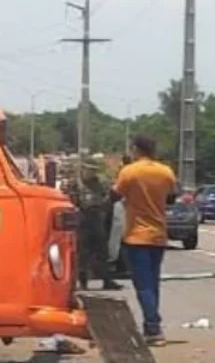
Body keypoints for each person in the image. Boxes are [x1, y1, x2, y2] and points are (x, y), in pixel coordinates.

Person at [110, 136, 177, 346]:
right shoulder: (165, 172)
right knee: (153, 283)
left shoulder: (129, 172)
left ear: (136, 149)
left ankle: (153, 327)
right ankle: (151, 327)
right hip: (158, 234)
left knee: (143, 286)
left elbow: (113, 196)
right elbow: (171, 198)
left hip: (136, 235)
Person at [73, 168, 122, 291]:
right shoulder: (79, 184)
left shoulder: (98, 184)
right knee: (88, 250)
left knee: (97, 250)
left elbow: (111, 197)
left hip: (93, 216)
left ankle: (103, 280)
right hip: (87, 216)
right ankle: (86, 281)